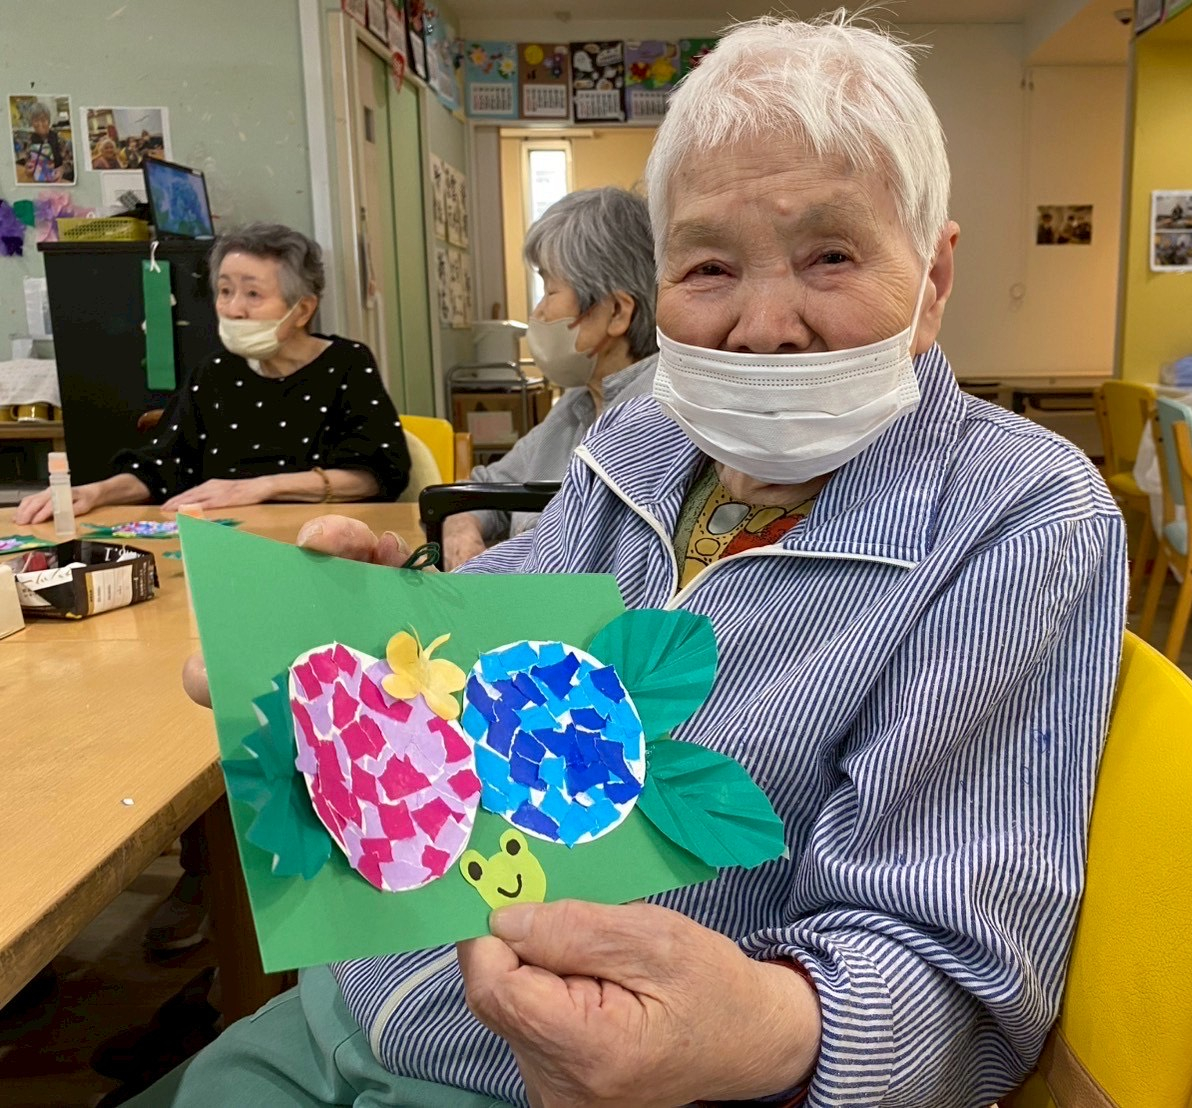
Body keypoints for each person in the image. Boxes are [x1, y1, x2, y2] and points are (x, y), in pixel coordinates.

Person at [137, 13, 1125, 1107]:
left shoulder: (1014, 516)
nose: (763, 325)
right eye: (708, 266)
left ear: (932, 280)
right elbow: (519, 615)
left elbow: (954, 965)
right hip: (358, 986)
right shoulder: (646, 438)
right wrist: (371, 615)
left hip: (558, 1079)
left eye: (832, 256)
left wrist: (761, 1028)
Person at [16, 222, 410, 524]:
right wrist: (95, 493)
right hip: (227, 544)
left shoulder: (347, 363)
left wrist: (260, 488)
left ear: (303, 309)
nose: (233, 308)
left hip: (321, 543)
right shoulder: (215, 372)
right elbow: (162, 466)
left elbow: (377, 473)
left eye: (253, 294)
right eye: (225, 290)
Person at [442, 186, 658, 568]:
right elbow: (483, 487)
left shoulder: (655, 419)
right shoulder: (577, 406)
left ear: (617, 312)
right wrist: (461, 529)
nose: (538, 313)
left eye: (550, 290)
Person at [20, 102, 71, 185]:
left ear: (49, 121)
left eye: (43, 120)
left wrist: (62, 169)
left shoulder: (58, 139)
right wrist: (28, 168)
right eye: (36, 120)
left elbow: (70, 162)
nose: (40, 124)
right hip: (38, 181)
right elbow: (28, 161)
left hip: (58, 181)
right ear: (32, 122)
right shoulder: (30, 141)